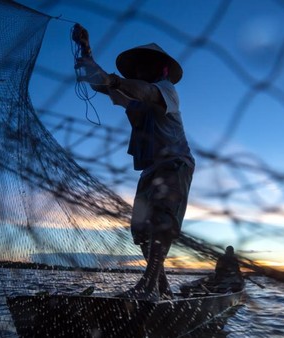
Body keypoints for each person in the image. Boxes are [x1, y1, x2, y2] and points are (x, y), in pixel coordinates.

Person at [76, 43, 194, 301]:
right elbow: (105, 86)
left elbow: (145, 92)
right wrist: (88, 57)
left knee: (161, 220)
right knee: (141, 231)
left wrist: (113, 80)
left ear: (159, 69)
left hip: (175, 163)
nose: (139, 70)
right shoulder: (134, 97)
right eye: (137, 67)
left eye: (145, 65)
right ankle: (162, 289)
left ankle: (147, 286)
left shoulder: (166, 91)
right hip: (151, 168)